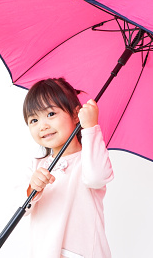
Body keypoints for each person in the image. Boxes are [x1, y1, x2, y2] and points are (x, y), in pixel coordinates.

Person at [23, 78, 114, 258]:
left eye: (50, 114)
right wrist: (32, 188)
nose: (43, 126)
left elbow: (96, 177)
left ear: (75, 115)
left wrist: (90, 128)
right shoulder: (37, 166)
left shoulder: (88, 159)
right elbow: (22, 209)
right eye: (33, 120)